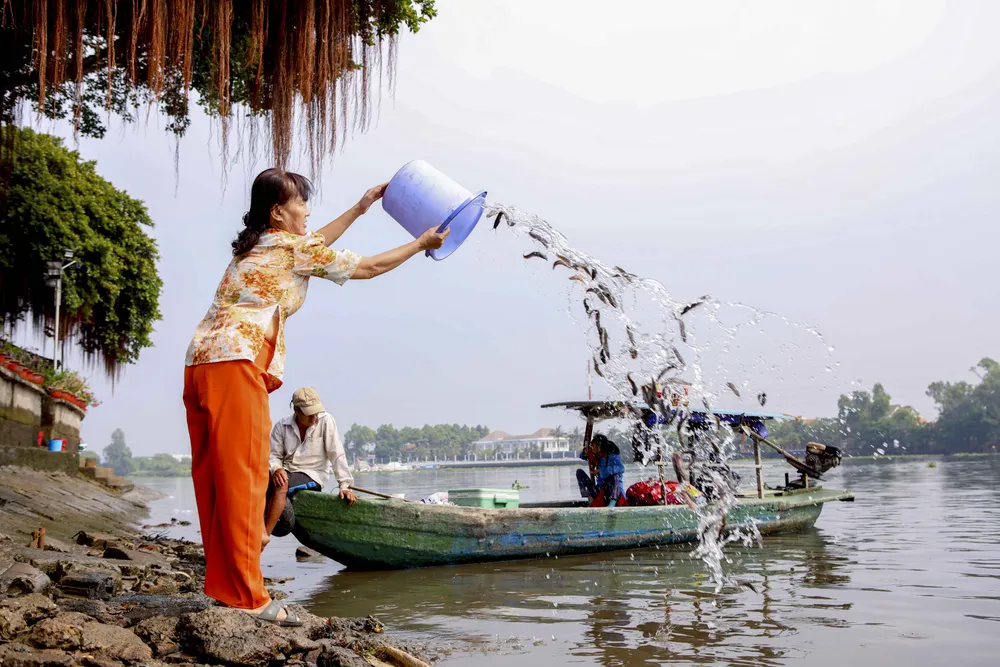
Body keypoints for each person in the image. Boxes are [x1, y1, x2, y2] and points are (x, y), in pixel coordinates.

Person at [183, 168, 449, 626]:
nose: (307, 210)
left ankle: (226, 587)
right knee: (246, 481)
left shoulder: (259, 245)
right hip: (238, 364)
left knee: (215, 479)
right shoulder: (292, 249)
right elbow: (366, 268)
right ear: (278, 212)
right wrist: (420, 245)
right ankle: (248, 597)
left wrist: (361, 208)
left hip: (201, 362)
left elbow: (313, 245)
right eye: (301, 203)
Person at [264, 387, 355, 544]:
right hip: (286, 471)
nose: (314, 417)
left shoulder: (326, 421)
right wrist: (277, 468)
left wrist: (345, 486)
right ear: (296, 410)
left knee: (281, 484)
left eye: (316, 412)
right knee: (261, 480)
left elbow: (337, 454)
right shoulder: (281, 426)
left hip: (313, 474)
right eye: (309, 414)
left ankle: (263, 537)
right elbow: (274, 456)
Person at [576, 434, 627, 507]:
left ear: (599, 446)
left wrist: (605, 470)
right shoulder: (597, 455)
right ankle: (590, 499)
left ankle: (612, 504)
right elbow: (582, 456)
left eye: (593, 445)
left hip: (614, 492)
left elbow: (621, 468)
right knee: (579, 472)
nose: (592, 448)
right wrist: (585, 452)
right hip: (601, 491)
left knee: (614, 476)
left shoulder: (612, 455)